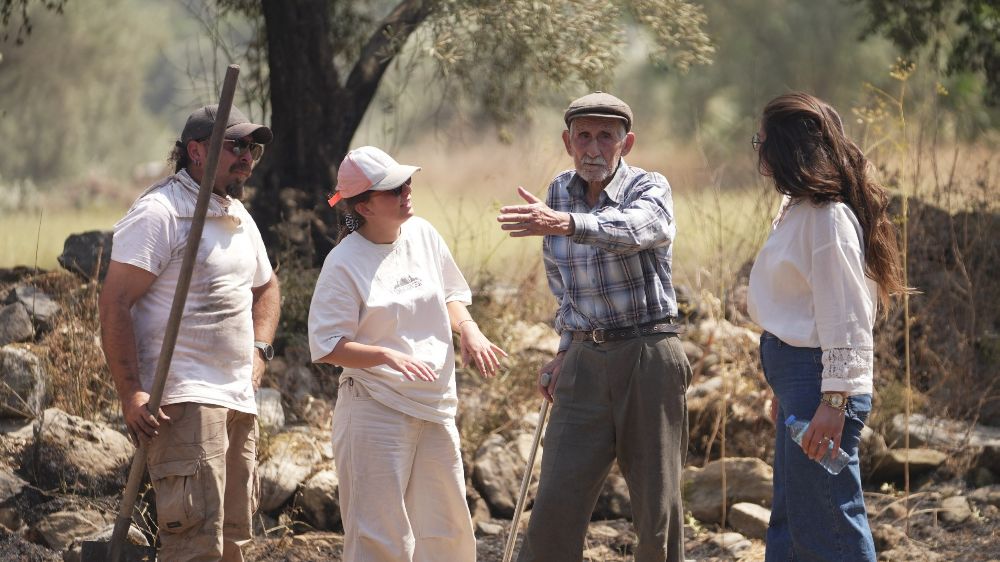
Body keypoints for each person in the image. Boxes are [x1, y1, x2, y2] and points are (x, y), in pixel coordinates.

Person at [497, 92, 692, 562]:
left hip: (649, 354)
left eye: (606, 136)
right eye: (583, 135)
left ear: (626, 142)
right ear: (567, 141)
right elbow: (564, 287)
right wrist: (564, 352)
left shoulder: (649, 187)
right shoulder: (558, 191)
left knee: (655, 514)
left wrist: (565, 223)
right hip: (583, 359)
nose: (593, 148)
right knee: (553, 508)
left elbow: (638, 230)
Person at [99, 104, 281, 561]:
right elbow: (114, 303)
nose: (247, 157)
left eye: (252, 148)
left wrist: (260, 352)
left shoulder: (237, 215)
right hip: (183, 399)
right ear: (196, 151)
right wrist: (131, 394)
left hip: (237, 398)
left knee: (234, 542)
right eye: (236, 145)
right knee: (195, 546)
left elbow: (267, 287)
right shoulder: (160, 212)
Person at [308, 146, 506, 562]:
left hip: (434, 407)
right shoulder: (343, 263)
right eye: (393, 189)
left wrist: (468, 329)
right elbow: (328, 346)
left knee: (448, 530)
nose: (406, 191)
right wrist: (384, 355)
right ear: (363, 206)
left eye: (406, 182)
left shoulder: (423, 234)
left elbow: (451, 292)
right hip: (375, 410)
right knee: (380, 537)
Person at [747, 92, 909, 561]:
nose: (759, 154)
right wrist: (786, 388)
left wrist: (833, 400)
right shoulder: (799, 210)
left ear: (782, 149)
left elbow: (846, 318)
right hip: (803, 382)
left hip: (821, 385)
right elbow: (805, 312)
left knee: (829, 526)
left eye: (761, 141)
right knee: (792, 522)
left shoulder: (827, 216)